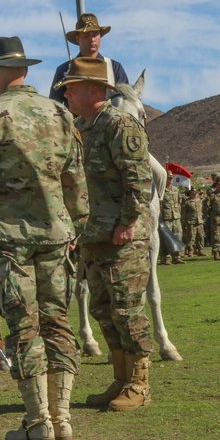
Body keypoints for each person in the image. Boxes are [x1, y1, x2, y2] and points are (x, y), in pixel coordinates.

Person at [0, 37, 88, 440]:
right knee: (58, 321)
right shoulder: (59, 110)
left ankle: (39, 422)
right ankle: (63, 417)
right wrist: (78, 224)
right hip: (56, 233)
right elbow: (74, 174)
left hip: (8, 236)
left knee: (23, 327)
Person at [58, 56, 153, 414]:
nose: (65, 93)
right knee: (103, 308)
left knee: (128, 310)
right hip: (94, 236)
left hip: (122, 237)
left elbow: (138, 177)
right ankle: (121, 377)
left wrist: (128, 222)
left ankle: (140, 384)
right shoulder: (82, 126)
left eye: (71, 87)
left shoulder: (119, 124)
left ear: (94, 90)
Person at [49, 13, 129, 106]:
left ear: (100, 37)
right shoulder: (64, 70)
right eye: (86, 36)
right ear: (77, 39)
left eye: (95, 35)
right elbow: (54, 105)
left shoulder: (114, 68)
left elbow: (127, 101)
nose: (92, 40)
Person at [180, 188, 206, 257]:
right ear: (190, 193)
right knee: (191, 237)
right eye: (192, 193)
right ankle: (190, 251)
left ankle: (200, 250)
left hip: (199, 221)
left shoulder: (199, 201)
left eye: (195, 193)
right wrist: (184, 222)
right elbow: (183, 213)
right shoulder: (187, 202)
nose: (194, 194)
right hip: (191, 222)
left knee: (201, 236)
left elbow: (203, 210)